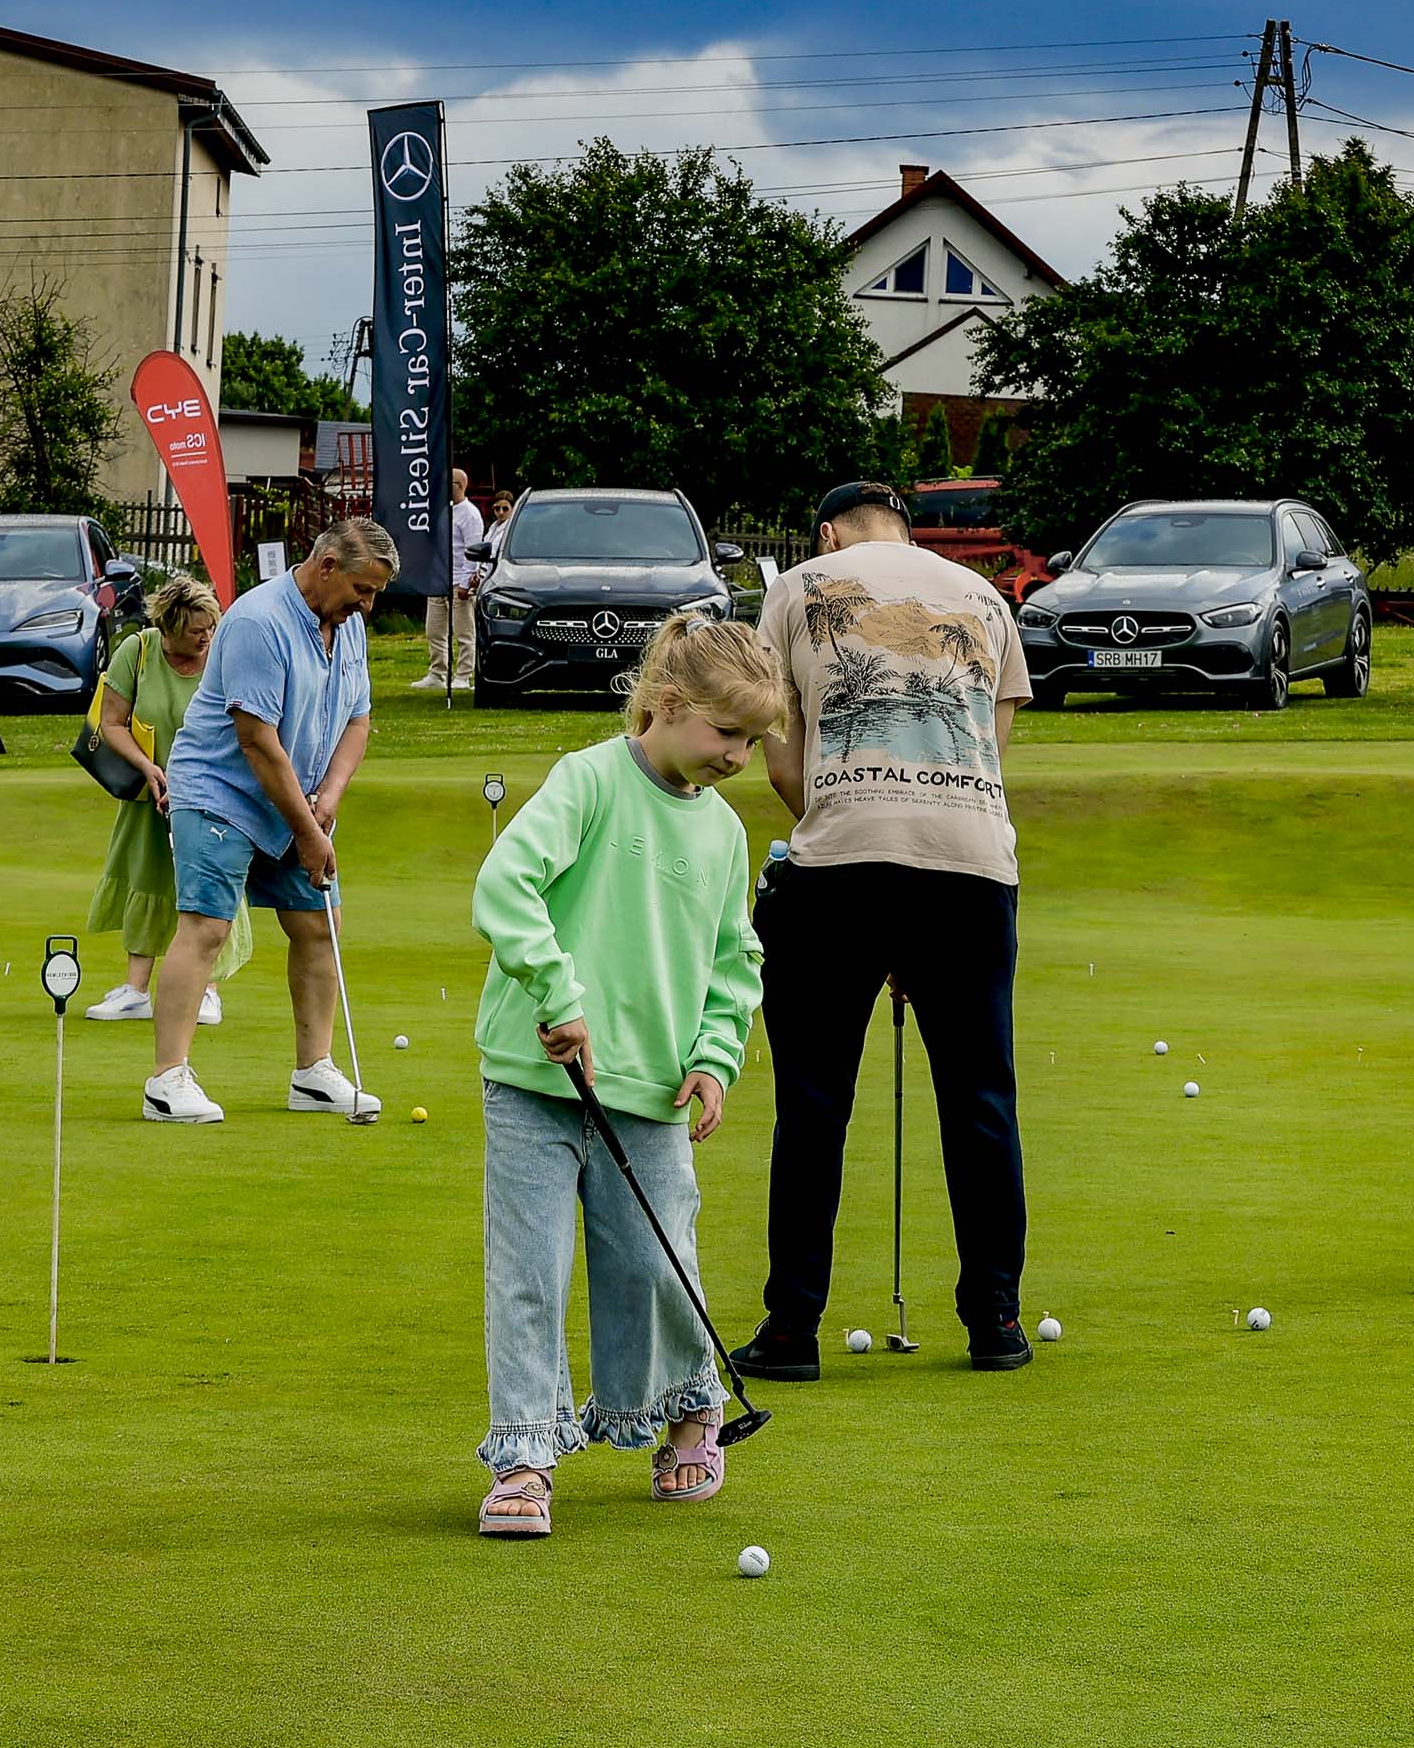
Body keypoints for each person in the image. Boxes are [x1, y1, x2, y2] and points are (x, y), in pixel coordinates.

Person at [469, 616, 785, 1536]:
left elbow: (737, 961)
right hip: (536, 1074)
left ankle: (691, 1410)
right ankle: (526, 1456)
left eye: (754, 740)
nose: (739, 755)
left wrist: (716, 1057)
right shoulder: (589, 780)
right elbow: (507, 884)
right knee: (528, 1274)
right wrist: (557, 992)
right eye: (727, 733)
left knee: (656, 1262)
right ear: (670, 704)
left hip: (650, 1090)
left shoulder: (725, 834)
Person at [728, 479, 1038, 1379]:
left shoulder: (801, 584)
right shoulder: (982, 596)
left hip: (839, 867)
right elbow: (996, 734)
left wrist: (823, 813)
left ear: (828, 531)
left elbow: (770, 733)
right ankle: (996, 1320)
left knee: (814, 1102)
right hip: (972, 863)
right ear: (905, 526)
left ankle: (791, 1330)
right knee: (982, 1098)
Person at [142, 517, 396, 1126]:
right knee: (206, 927)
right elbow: (255, 741)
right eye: (364, 589)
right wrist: (309, 834)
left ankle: (313, 1073)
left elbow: (357, 719)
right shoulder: (260, 621)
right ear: (327, 566)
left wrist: (329, 798)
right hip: (220, 791)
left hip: (297, 797)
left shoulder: (348, 626)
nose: (369, 605)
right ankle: (166, 1081)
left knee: (318, 923)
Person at [83, 577, 250, 1026]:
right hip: (148, 792)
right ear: (169, 627)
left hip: (213, 792)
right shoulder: (137, 652)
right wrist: (148, 767)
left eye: (211, 627)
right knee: (147, 877)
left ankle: (207, 990)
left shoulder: (223, 655)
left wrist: (191, 781)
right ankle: (135, 990)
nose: (206, 637)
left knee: (208, 883)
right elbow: (111, 722)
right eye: (196, 630)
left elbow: (242, 726)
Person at [415, 468, 487, 692]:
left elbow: (473, 551)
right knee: (434, 630)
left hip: (459, 581)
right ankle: (437, 672)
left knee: (464, 632)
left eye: (449, 483)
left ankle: (464, 675)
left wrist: (466, 584)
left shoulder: (470, 515)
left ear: (460, 485)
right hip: (438, 579)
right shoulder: (442, 511)